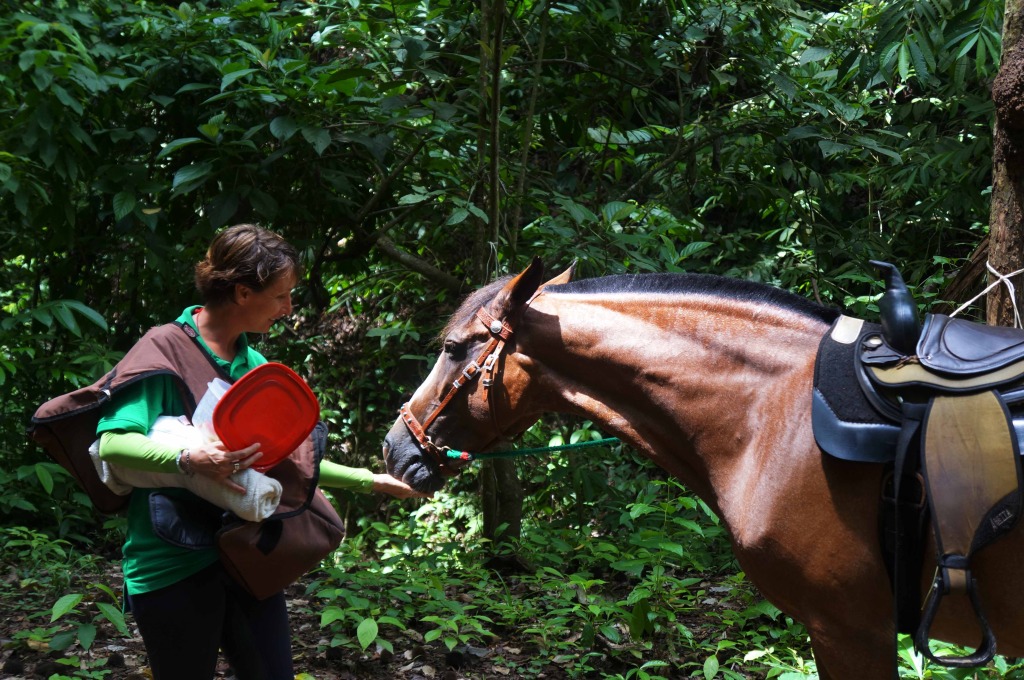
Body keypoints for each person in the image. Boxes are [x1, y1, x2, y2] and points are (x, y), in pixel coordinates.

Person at [95, 223, 427, 679]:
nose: (289, 309)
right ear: (242, 292)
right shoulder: (164, 348)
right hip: (170, 562)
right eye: (281, 296)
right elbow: (113, 443)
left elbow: (285, 464)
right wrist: (189, 459)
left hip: (245, 556)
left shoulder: (257, 369)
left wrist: (371, 480)